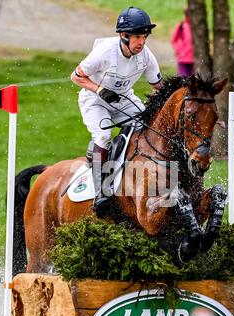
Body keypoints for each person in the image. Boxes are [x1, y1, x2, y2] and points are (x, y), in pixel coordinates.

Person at [71, 6, 163, 218]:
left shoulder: (146, 56)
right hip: (94, 99)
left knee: (148, 125)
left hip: (123, 98)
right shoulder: (104, 52)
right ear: (124, 35)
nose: (141, 42)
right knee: (103, 136)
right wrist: (100, 90)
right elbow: (75, 76)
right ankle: (100, 192)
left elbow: (159, 87)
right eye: (137, 37)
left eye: (144, 36)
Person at [171, 6, 194, 77]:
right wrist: (178, 50)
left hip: (194, 59)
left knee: (193, 81)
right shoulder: (181, 25)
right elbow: (174, 40)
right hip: (183, 59)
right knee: (182, 80)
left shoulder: (197, 27)